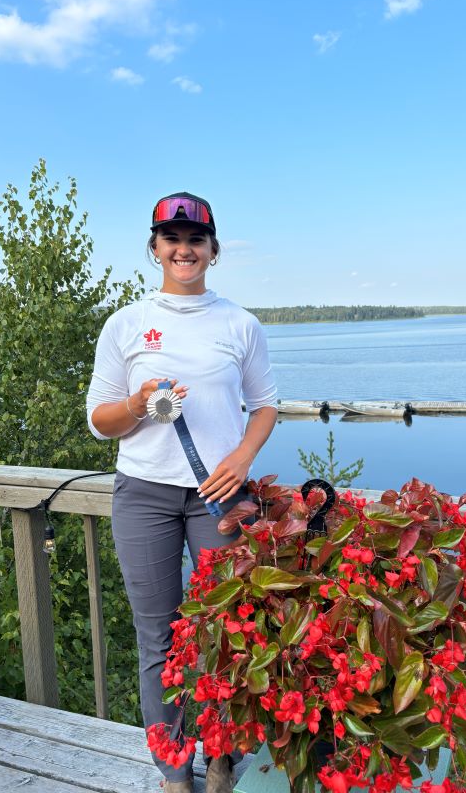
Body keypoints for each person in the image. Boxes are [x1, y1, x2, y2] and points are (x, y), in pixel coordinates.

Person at [86, 193, 278, 793]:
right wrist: (138, 402)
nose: (183, 248)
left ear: (213, 251)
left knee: (225, 631)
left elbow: (266, 405)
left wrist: (242, 458)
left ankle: (221, 759)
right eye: (171, 238)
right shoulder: (124, 323)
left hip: (217, 497)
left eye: (195, 239)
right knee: (159, 637)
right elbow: (100, 420)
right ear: (154, 248)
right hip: (143, 493)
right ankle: (174, 770)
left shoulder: (239, 323)